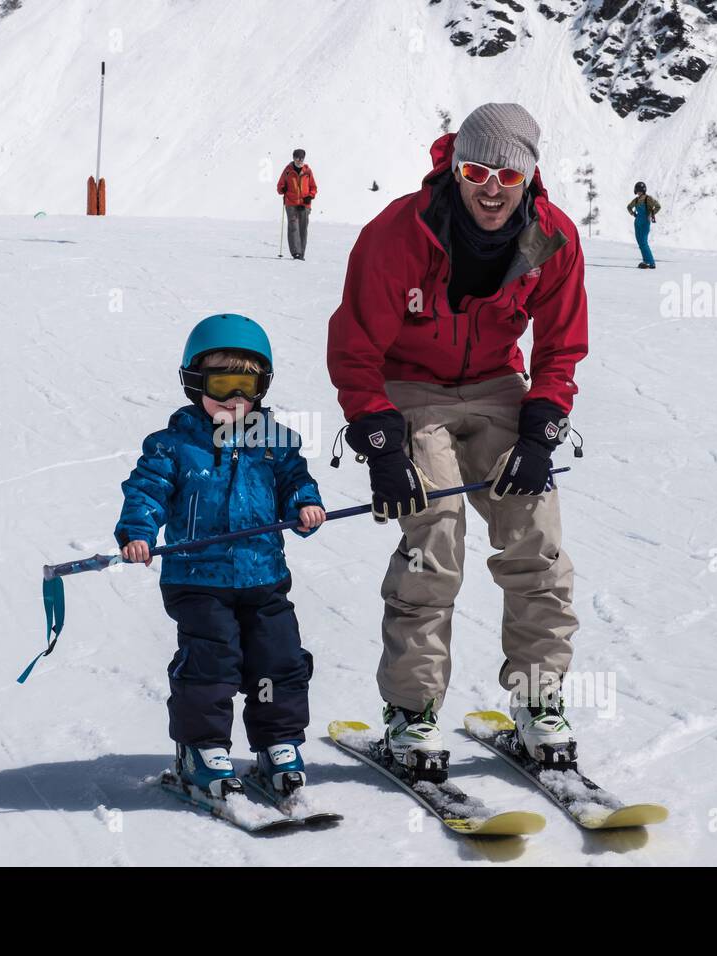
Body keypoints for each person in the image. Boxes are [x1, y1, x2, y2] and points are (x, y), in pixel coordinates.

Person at [327, 103, 588, 779]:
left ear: (530, 173)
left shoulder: (547, 239)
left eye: (508, 171)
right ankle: (412, 713)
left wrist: (543, 426)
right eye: (476, 169)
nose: (491, 186)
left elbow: (560, 346)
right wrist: (382, 442)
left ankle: (539, 699)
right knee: (435, 533)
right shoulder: (400, 234)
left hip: (498, 383)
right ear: (455, 167)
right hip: (411, 387)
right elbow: (356, 349)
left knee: (538, 536)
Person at [115, 313, 326, 799]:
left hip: (263, 576)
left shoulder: (275, 442)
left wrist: (305, 505)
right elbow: (146, 491)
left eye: (246, 385)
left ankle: (278, 744)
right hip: (198, 580)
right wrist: (138, 532)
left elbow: (297, 481)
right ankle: (202, 749)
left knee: (280, 659)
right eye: (222, 383)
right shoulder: (172, 446)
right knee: (212, 662)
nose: (235, 398)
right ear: (195, 383)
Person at [277, 149, 317, 260]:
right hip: (291, 203)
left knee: (303, 229)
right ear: (293, 158)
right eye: (297, 158)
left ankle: (302, 253)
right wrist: (282, 188)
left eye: (301, 158)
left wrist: (310, 196)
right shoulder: (288, 171)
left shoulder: (308, 171)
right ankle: (296, 253)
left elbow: (313, 187)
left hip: (304, 204)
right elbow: (279, 187)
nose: (299, 160)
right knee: (293, 227)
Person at [627, 181, 661, 269]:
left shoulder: (648, 198)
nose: (637, 192)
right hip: (637, 223)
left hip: (645, 222)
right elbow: (629, 207)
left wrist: (651, 214)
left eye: (638, 190)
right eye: (637, 190)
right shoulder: (636, 200)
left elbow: (658, 206)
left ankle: (651, 262)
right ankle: (646, 261)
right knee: (640, 243)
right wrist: (633, 214)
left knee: (644, 243)